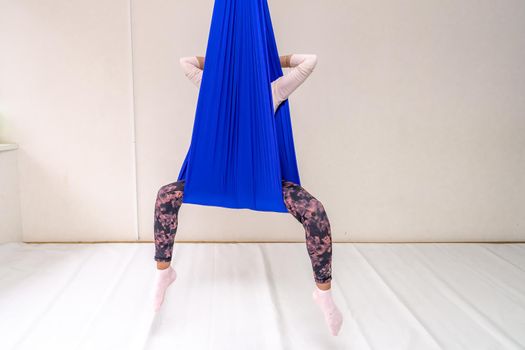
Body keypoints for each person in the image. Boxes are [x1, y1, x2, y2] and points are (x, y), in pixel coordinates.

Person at [152, 54, 343, 336]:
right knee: (165, 196)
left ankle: (323, 293)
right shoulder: (214, 87)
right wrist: (226, 55)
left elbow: (310, 62)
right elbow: (184, 62)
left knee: (315, 211)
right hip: (216, 181)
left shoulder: (272, 90)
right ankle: (163, 272)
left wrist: (268, 56)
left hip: (263, 183)